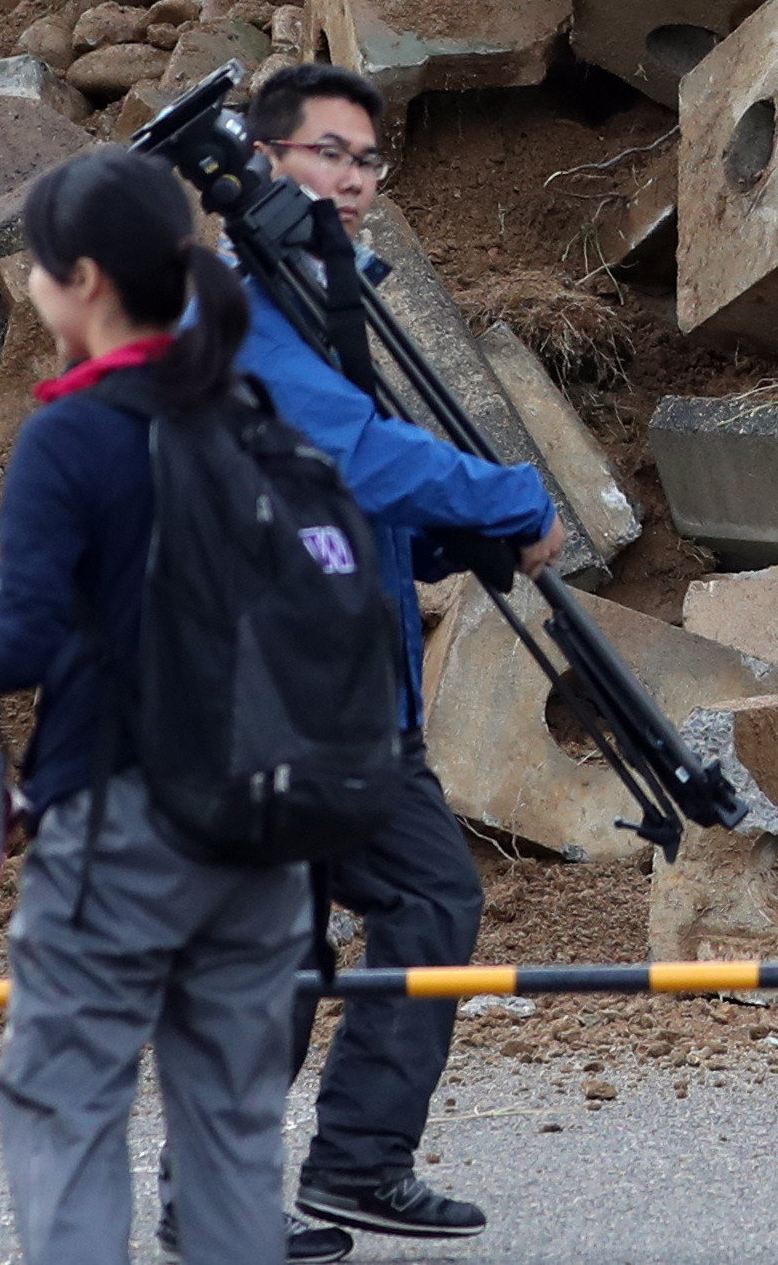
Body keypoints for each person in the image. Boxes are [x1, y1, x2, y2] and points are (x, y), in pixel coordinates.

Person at [0, 151, 309, 1265]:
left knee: (68, 1107)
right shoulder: (249, 409)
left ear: (84, 280)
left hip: (123, 825)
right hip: (268, 821)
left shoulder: (73, 430)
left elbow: (20, 648)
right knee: (236, 1128)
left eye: (40, 268)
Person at [228, 61, 559, 1251]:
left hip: (316, 681)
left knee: (280, 939)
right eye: (328, 153)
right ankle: (353, 1168)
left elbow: (337, 499)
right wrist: (515, 496)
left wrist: (440, 533)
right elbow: (349, 452)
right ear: (262, 161)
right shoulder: (237, 305)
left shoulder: (303, 293)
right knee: (426, 894)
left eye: (368, 161)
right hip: (296, 697)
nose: (354, 180)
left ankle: (242, 1200)